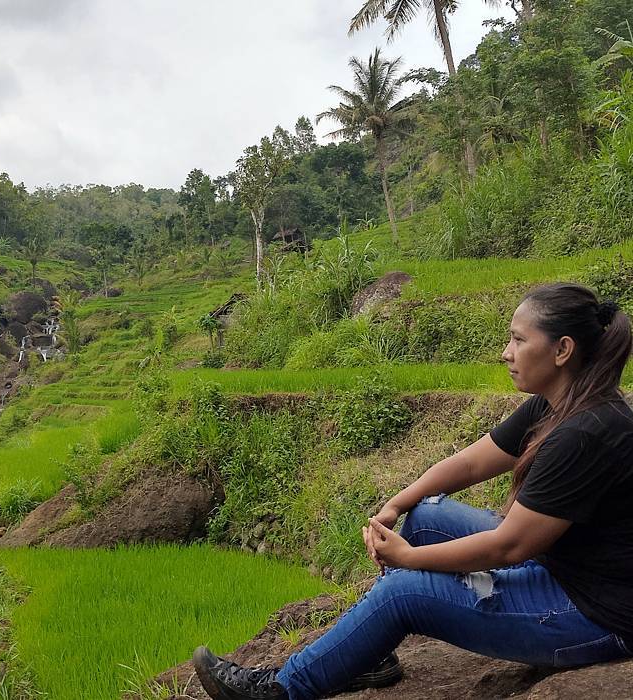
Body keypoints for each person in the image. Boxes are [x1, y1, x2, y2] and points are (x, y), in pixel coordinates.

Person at [193, 283, 633, 700]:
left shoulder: (586, 432)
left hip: (596, 613)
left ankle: (283, 689)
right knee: (425, 517)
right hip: (568, 571)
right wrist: (398, 503)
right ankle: (369, 653)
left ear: (562, 350)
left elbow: (509, 545)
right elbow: (472, 462)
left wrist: (408, 559)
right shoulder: (558, 404)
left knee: (402, 591)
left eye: (518, 340)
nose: (506, 353)